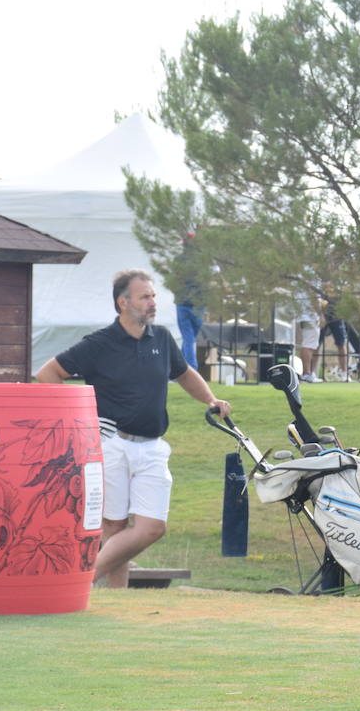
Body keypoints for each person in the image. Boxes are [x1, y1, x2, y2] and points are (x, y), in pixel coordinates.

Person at [35, 269, 232, 588]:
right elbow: (48, 373)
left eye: (153, 296)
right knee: (114, 526)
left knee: (152, 527)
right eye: (145, 297)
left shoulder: (163, 339)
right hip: (110, 443)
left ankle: (76, 584)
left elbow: (184, 374)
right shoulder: (99, 344)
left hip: (152, 445)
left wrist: (210, 399)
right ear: (123, 302)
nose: (152, 302)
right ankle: (116, 598)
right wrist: (82, 418)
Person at [172, 230, 204, 370]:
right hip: (198, 303)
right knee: (190, 338)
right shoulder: (204, 260)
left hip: (182, 302)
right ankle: (191, 369)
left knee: (188, 338)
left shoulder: (178, 260)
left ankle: (179, 368)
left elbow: (173, 281)